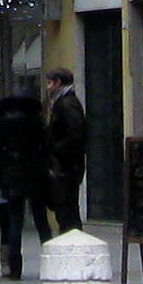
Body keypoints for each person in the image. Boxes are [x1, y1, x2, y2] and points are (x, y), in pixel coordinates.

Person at [0, 80, 46, 276]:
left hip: (12, 175)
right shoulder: (37, 121)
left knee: (15, 220)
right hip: (35, 174)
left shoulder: (3, 122)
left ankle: (15, 267)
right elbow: (45, 146)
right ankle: (51, 260)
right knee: (41, 220)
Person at [41, 68, 89, 235]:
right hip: (67, 165)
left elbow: (75, 134)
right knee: (66, 208)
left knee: (67, 209)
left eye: (49, 83)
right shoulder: (62, 102)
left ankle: (71, 239)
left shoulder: (66, 103)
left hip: (67, 166)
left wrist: (55, 151)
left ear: (58, 82)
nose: (47, 87)